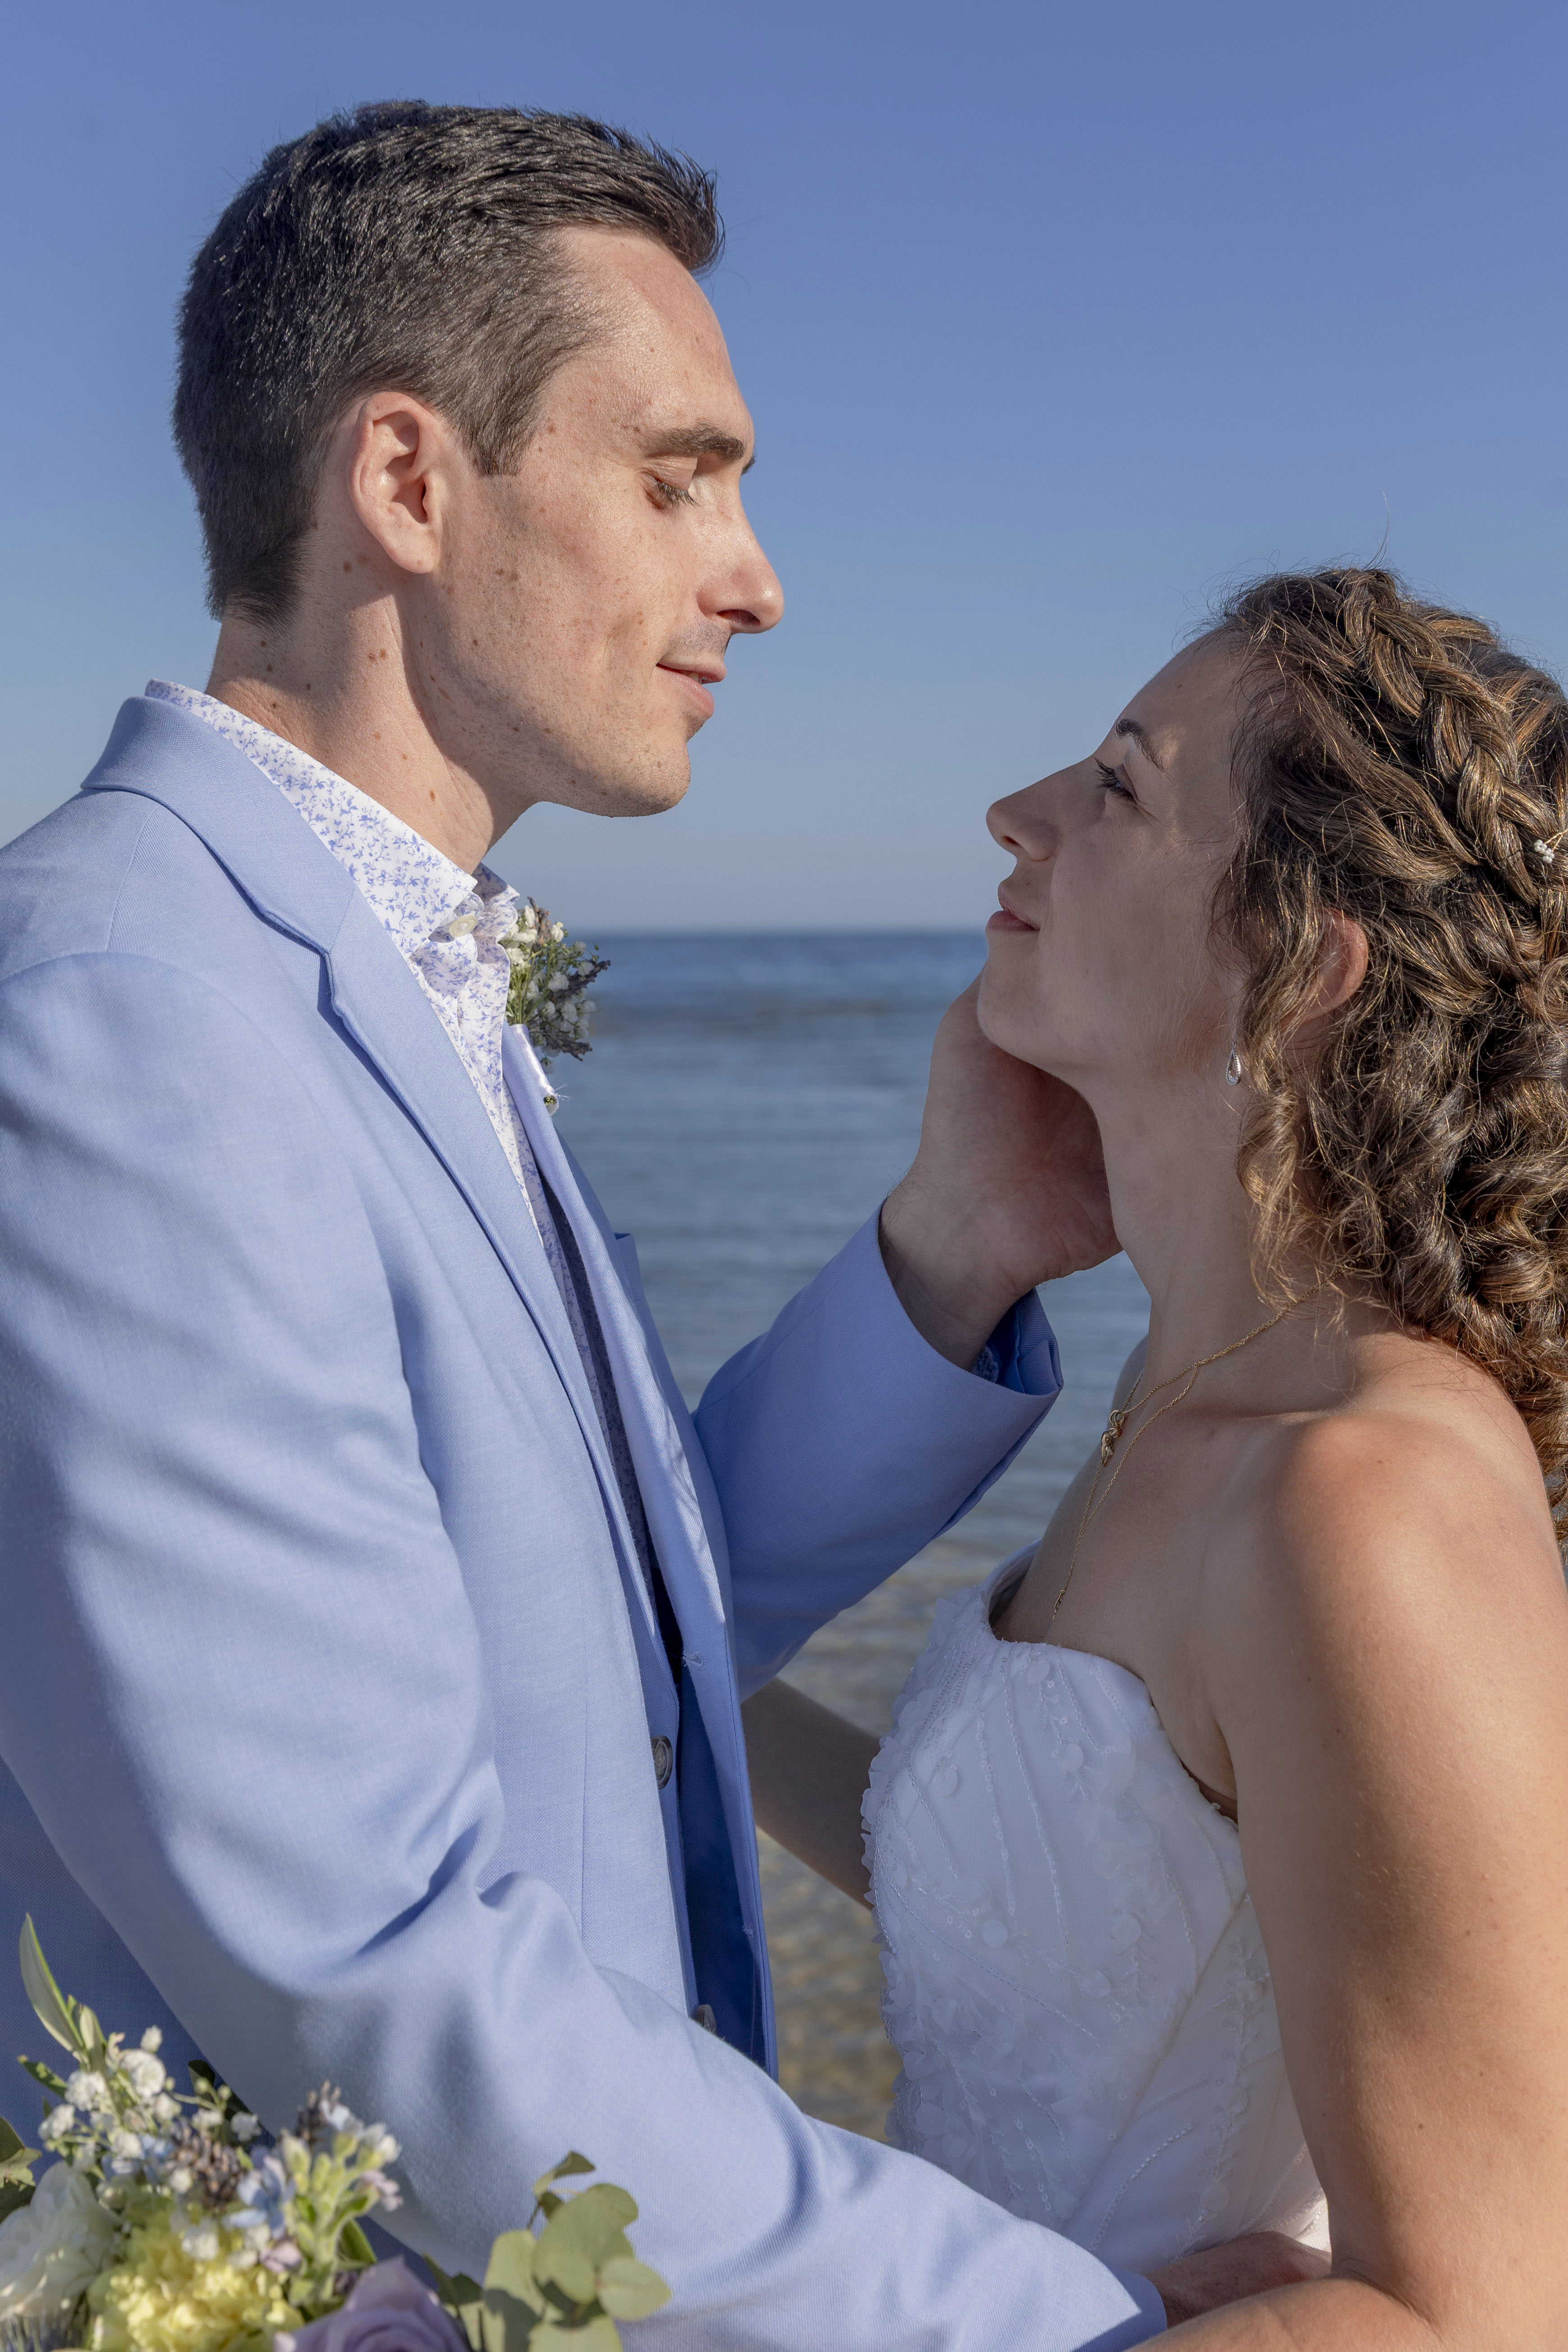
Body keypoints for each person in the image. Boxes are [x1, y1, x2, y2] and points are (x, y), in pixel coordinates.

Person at [0, 101, 1306, 2352]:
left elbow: (565, 1639)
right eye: (680, 475)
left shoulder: (382, 973)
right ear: (408, 486)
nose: (758, 575)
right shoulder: (122, 1014)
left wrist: (945, 1257)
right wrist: (1069, 2332)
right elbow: (373, 1946)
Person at [745, 567, 1568, 2345]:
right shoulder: (1180, 1397)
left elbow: (1480, 2316)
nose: (1016, 812)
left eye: (1118, 785)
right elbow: (1058, 1909)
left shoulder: (1368, 1501)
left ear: (1300, 968)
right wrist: (643, 1674)